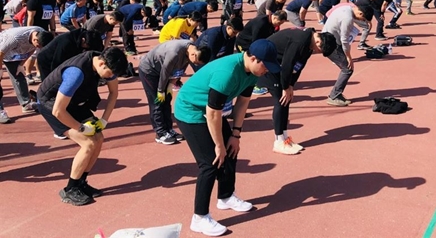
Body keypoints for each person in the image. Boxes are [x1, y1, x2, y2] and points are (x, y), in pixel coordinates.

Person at [174, 39, 281, 236]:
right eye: (266, 65)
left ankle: (226, 196)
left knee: (231, 151)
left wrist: (235, 134)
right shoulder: (228, 72)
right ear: (254, 58)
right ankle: (200, 218)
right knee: (210, 163)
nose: (268, 70)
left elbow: (242, 102)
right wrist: (218, 145)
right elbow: (212, 112)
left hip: (212, 111)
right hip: (191, 111)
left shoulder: (252, 71)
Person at [36, 48, 128, 205]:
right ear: (101, 63)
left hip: (73, 101)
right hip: (51, 104)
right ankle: (70, 189)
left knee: (99, 138)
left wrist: (104, 120)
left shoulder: (104, 62)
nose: (111, 78)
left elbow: (114, 93)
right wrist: (82, 128)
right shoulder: (76, 74)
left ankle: (81, 183)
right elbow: (58, 111)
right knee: (88, 143)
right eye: (110, 74)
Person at [258, 28, 337, 154]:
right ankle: (278, 141)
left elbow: (298, 67)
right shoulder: (299, 41)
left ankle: (284, 137)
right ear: (318, 41)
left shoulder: (308, 44)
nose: (316, 52)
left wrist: (291, 86)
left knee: (286, 99)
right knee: (281, 100)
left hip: (278, 66)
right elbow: (287, 65)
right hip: (264, 64)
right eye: (319, 50)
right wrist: (285, 87)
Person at [138, 40, 211, 145]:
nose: (195, 64)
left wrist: (171, 84)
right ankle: (160, 133)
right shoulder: (174, 53)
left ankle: (168, 129)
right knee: (157, 101)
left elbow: (180, 69)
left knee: (167, 100)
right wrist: (160, 90)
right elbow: (165, 71)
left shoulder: (190, 50)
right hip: (150, 70)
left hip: (164, 73)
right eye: (196, 62)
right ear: (194, 54)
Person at [0, 27, 54, 123]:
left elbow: (32, 50)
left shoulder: (41, 33)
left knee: (19, 75)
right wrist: (0, 69)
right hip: (1, 51)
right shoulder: (14, 38)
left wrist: (21, 65)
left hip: (11, 55)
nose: (38, 48)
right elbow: (0, 53)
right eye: (38, 45)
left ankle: (26, 104)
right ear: (34, 39)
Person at [322, 4, 368, 106]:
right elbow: (344, 40)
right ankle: (334, 96)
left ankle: (336, 94)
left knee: (346, 67)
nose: (361, 21)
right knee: (348, 68)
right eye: (362, 18)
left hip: (328, 38)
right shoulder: (348, 18)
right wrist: (349, 56)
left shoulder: (347, 8)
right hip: (329, 44)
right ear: (360, 13)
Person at [37, 28, 104, 83]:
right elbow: (57, 63)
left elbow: (98, 48)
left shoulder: (89, 36)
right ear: (83, 40)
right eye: (88, 46)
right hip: (47, 60)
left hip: (64, 56)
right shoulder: (66, 43)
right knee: (50, 83)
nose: (87, 49)